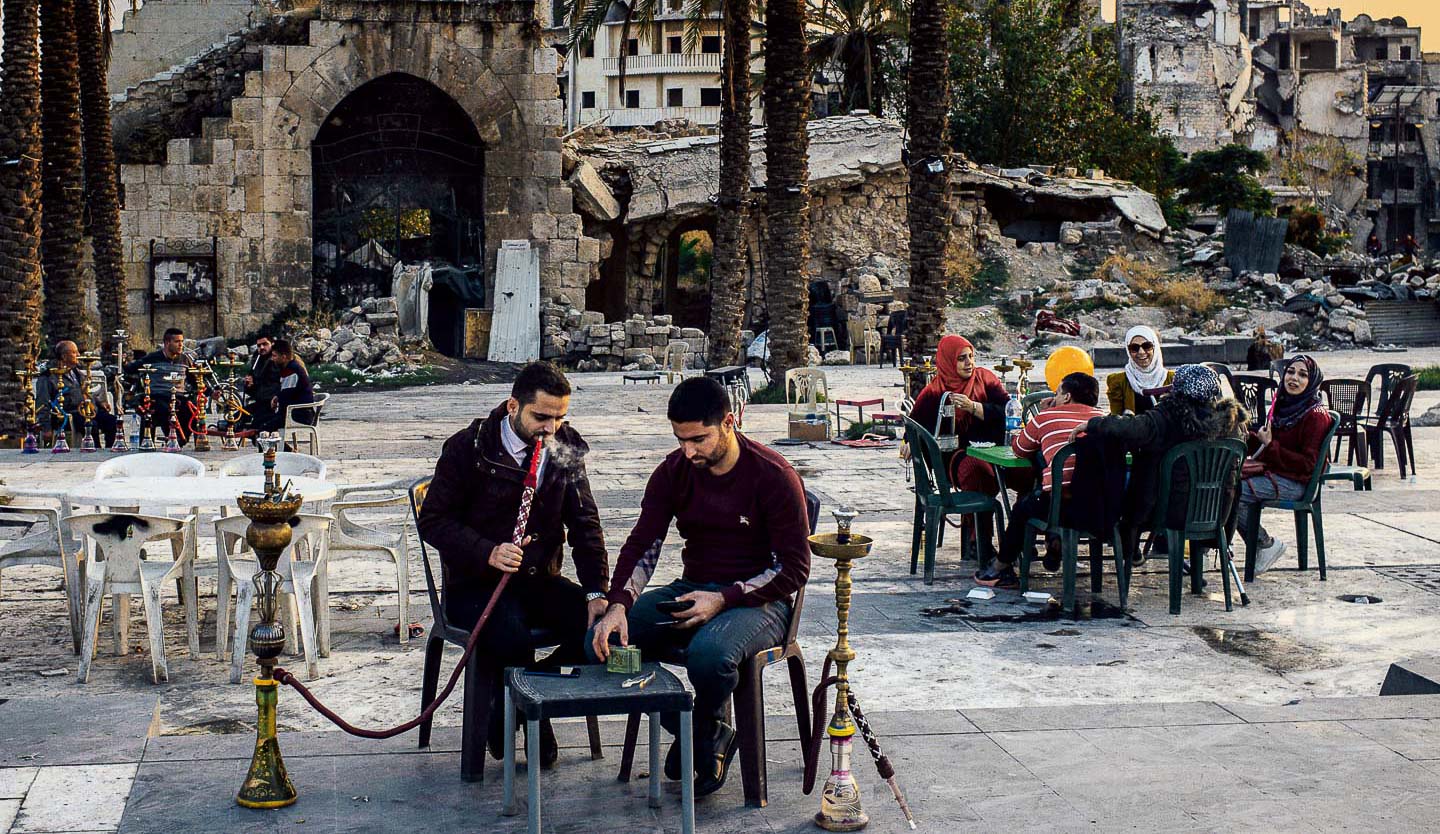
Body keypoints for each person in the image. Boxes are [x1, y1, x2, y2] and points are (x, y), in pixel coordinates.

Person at [588, 377, 810, 797]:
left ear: (729, 422)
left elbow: (794, 569)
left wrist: (724, 598)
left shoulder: (774, 475)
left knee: (709, 657)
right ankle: (701, 730)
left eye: (698, 439)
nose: (688, 451)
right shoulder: (674, 471)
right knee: (602, 642)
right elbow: (644, 544)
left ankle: (702, 734)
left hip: (760, 601)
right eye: (680, 439)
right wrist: (617, 604)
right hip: (693, 587)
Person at [417, 361, 609, 769]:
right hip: (474, 585)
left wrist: (596, 591)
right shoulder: (468, 448)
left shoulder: (565, 447)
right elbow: (433, 520)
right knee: (511, 639)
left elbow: (585, 525)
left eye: (559, 418)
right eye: (541, 417)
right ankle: (533, 718)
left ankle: (519, 704)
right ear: (512, 406)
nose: (550, 429)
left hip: (539, 580)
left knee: (600, 627)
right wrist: (486, 550)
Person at [1077, 365, 1248, 567]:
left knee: (1126, 490)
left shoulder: (1166, 417)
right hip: (1215, 513)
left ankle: (1129, 548)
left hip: (1166, 513)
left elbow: (1130, 428)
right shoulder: (1231, 424)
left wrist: (1093, 423)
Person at [974, 373, 1106, 588]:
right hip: (1101, 506)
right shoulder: (1104, 419)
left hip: (1061, 506)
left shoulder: (1047, 417)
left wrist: (1045, 414)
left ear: (1066, 396)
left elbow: (1019, 449)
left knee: (1023, 507)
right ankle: (1054, 539)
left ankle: (999, 566)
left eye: (1058, 392)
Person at [906, 334, 1010, 558]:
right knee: (977, 471)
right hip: (956, 457)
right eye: (962, 358)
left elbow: (1008, 411)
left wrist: (975, 408)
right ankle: (979, 541)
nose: (969, 363)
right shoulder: (935, 391)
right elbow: (914, 424)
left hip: (996, 452)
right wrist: (909, 443)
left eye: (971, 357)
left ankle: (1020, 540)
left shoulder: (986, 380)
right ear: (948, 361)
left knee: (1029, 470)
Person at [1241, 355, 1333, 574]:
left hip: (1298, 483)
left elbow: (1308, 466)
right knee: (1222, 484)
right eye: (1290, 372)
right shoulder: (1282, 405)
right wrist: (1249, 437)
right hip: (1278, 473)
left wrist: (1270, 445)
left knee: (1233, 491)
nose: (1294, 379)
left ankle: (1265, 544)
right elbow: (1267, 446)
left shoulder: (1316, 416)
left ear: (1312, 382)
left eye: (1303, 375)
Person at [34, 340, 118, 447]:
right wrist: (46, 427)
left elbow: (84, 392)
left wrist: (99, 403)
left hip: (87, 410)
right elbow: (42, 402)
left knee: (112, 421)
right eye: (74, 352)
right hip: (70, 414)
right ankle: (94, 451)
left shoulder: (76, 372)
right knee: (91, 425)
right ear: (64, 356)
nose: (78, 355)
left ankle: (110, 450)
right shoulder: (48, 377)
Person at [124, 327, 194, 444]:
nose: (181, 345)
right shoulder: (153, 358)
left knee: (191, 412)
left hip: (178, 396)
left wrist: (211, 392)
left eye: (182, 341)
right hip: (158, 396)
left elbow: (194, 380)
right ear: (167, 343)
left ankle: (180, 440)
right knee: (164, 410)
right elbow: (131, 369)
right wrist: (123, 361)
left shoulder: (185, 359)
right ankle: (173, 439)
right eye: (177, 342)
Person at [1106, 326, 1173, 415]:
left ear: (1155, 347)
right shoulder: (1118, 381)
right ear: (1128, 351)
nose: (1141, 352)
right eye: (1134, 348)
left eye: (1147, 346)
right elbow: (1115, 417)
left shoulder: (1174, 379)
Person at [252, 340, 315, 434]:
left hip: (299, 414)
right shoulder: (288, 368)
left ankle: (282, 449)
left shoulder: (292, 371)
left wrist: (277, 402)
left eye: (274, 356)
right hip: (293, 412)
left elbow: (286, 397)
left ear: (284, 357)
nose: (272, 359)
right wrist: (277, 397)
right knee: (257, 421)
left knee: (262, 429)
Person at [243, 334, 282, 428]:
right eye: (259, 345)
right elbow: (254, 389)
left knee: (256, 425)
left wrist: (255, 384)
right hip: (261, 403)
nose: (261, 347)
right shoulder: (257, 359)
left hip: (273, 405)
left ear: (272, 344)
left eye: (265, 344)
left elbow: (272, 386)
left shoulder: (276, 361)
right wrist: (249, 385)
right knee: (239, 415)